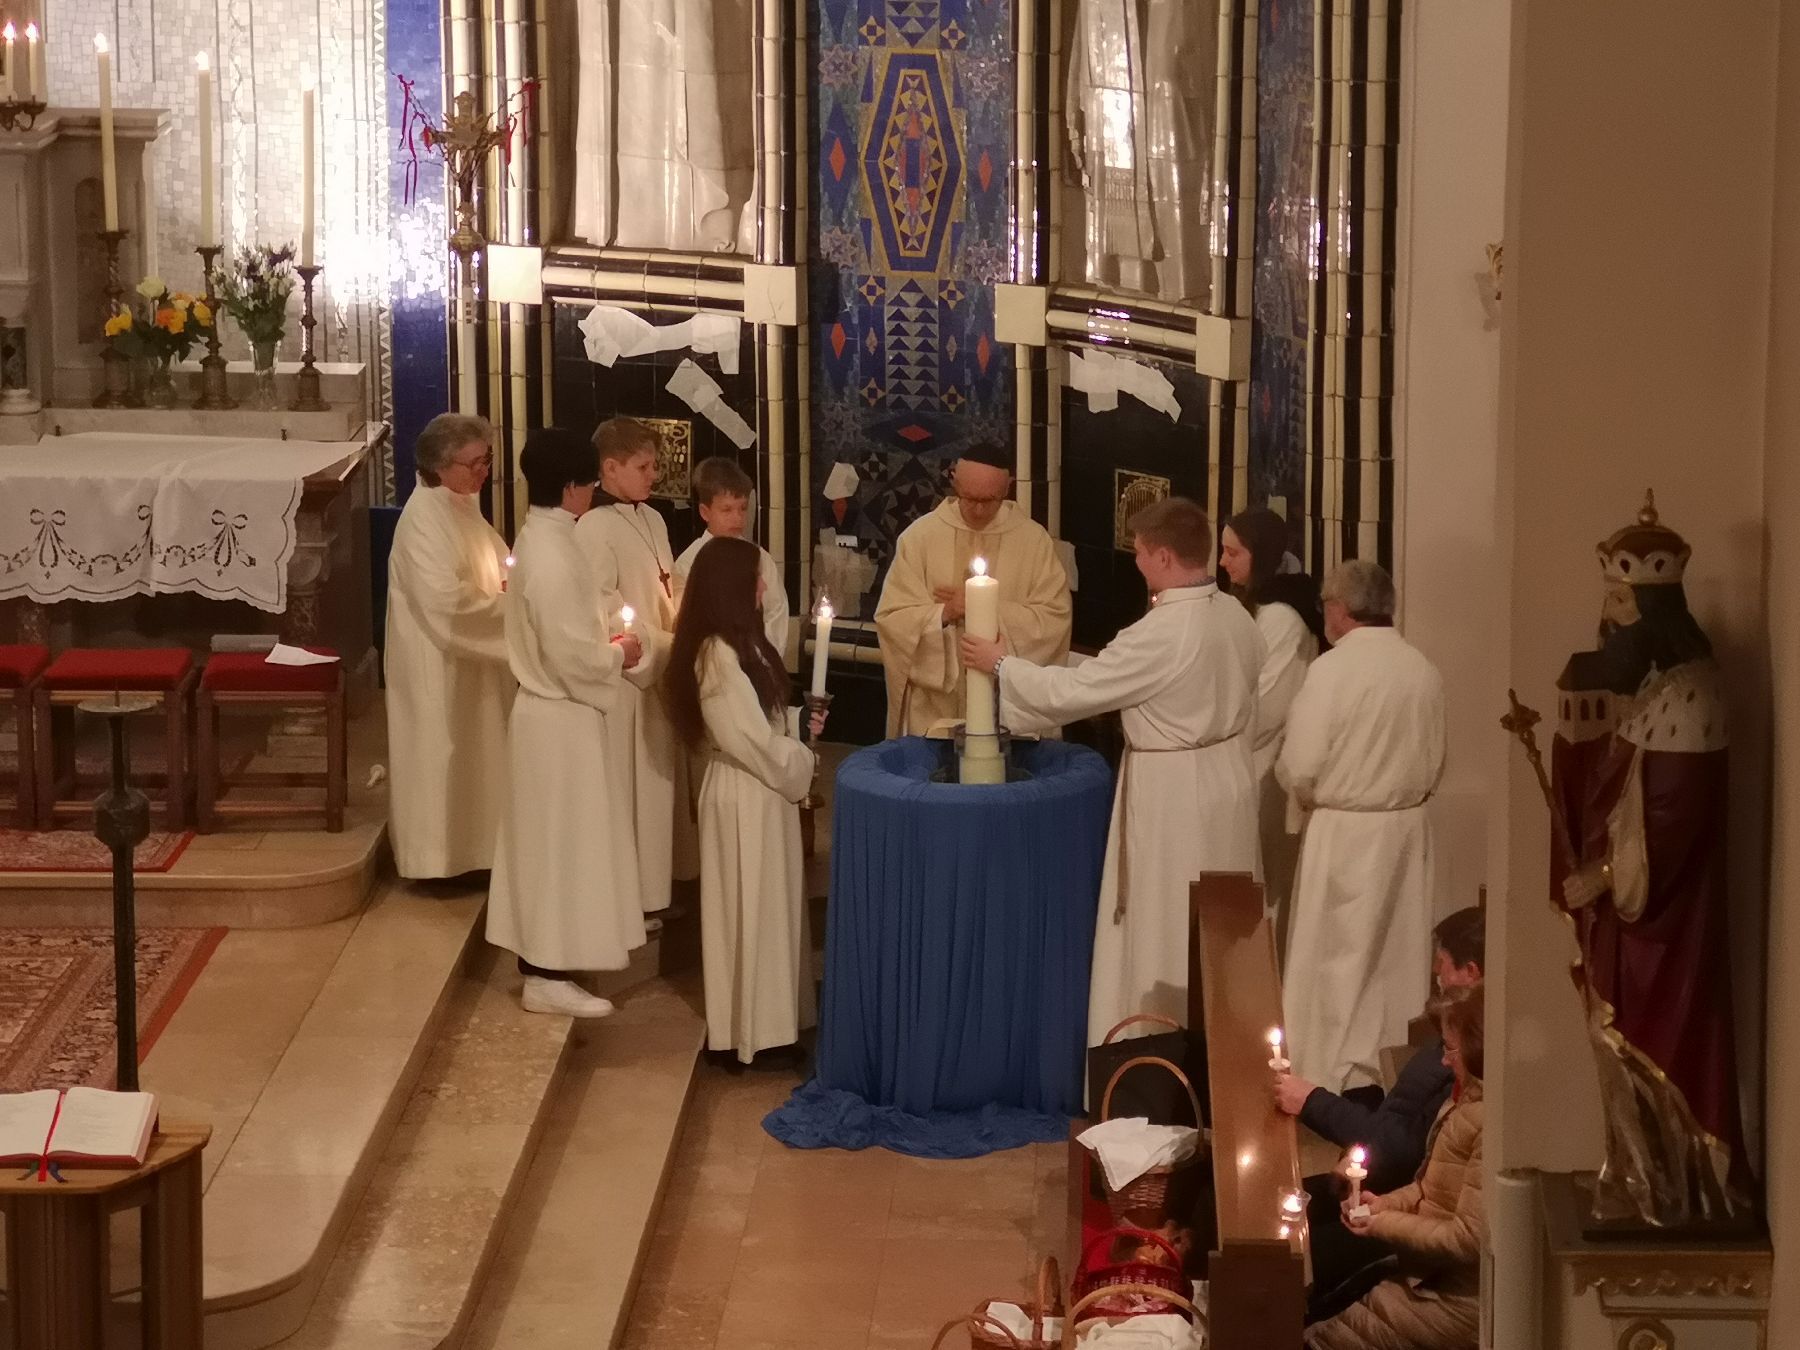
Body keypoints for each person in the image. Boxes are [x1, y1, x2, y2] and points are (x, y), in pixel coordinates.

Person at [961, 497, 1263, 1046]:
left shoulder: (1162, 631)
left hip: (1174, 795)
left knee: (1165, 920)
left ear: (1165, 557)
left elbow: (1076, 693)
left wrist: (1000, 664)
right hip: (1230, 780)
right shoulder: (1235, 615)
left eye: (1141, 553)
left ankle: (1154, 1047)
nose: (1137, 564)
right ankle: (1228, 1052)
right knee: (1220, 925)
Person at [1548, 492, 1750, 1225]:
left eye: (1619, 600)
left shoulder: (1691, 694)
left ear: (1654, 606)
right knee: (1614, 1044)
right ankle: (1638, 1178)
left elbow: (1672, 824)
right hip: (1626, 917)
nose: (1607, 617)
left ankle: (1680, 1191)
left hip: (1663, 926)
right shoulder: (1650, 686)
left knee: (1658, 1044)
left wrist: (1601, 875)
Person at [486, 428, 646, 1018]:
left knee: (561, 842)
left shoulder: (549, 535)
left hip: (559, 716)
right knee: (556, 845)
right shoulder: (551, 553)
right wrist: (617, 654)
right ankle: (544, 975)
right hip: (557, 716)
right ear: (575, 486)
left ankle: (554, 960)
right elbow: (568, 652)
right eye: (592, 483)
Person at [1279, 559, 1446, 1091]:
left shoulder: (1331, 671)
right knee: (1397, 958)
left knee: (1337, 962)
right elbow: (1437, 757)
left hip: (1346, 831)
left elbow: (1301, 763)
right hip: (1406, 829)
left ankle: (1326, 1080)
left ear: (1339, 610)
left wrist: (1302, 796)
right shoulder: (1422, 668)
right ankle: (1391, 1072)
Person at [1277, 907, 1485, 1321]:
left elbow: (1409, 1152)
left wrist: (1313, 1102)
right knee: (1278, 1211)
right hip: (1388, 1198)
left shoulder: (1471, 1071)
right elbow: (1406, 1134)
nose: (1436, 975)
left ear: (1471, 972)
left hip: (1409, 1232)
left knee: (1298, 1258)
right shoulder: (1451, 1043)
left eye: (1442, 965)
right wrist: (1366, 1174)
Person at [666, 536, 825, 1063]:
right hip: (744, 790)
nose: (762, 587)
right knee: (748, 911)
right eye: (755, 578)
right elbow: (748, 741)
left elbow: (763, 721)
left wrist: (798, 722)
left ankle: (775, 1024)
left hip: (763, 789)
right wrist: (801, 762)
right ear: (731, 586)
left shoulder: (744, 642)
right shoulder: (714, 654)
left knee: (769, 908)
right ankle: (749, 1035)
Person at [1306, 983, 1486, 1350]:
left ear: (1477, 1049)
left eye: (1450, 1049)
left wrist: (1380, 1223)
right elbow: (1425, 1188)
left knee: (1322, 1337)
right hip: (1423, 1270)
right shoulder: (1465, 1101)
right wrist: (1382, 1205)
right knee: (1314, 1315)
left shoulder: (1489, 1122)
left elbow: (1467, 1237)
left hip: (1453, 1296)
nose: (1444, 1061)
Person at [384, 413, 515, 880]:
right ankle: (436, 862)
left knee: (479, 758)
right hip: (438, 663)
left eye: (486, 459)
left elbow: (498, 563)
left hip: (473, 659)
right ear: (439, 466)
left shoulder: (461, 505)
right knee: (443, 754)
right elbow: (444, 602)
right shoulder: (423, 518)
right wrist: (516, 614)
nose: (484, 471)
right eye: (473, 463)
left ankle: (479, 854)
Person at [575, 416, 692, 917]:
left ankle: (659, 884)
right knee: (631, 788)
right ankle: (631, 896)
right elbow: (601, 608)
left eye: (654, 465)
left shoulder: (654, 519)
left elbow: (668, 583)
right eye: (643, 467)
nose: (654, 475)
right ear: (610, 468)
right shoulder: (594, 527)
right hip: (630, 678)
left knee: (658, 785)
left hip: (663, 664)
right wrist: (652, 643)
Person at [875, 443, 1071, 737]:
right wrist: (944, 613)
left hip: (1006, 708)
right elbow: (892, 618)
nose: (979, 510)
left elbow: (1054, 621)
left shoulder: (1033, 541)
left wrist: (987, 608)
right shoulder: (920, 538)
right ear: (954, 481)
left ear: (1007, 488)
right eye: (969, 498)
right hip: (935, 707)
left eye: (989, 500)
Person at [1219, 506, 1323, 958]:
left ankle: (1268, 981)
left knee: (1269, 886)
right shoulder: (1254, 605)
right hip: (1242, 761)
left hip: (1267, 769)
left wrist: (1212, 732)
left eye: (1233, 553)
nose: (1222, 562)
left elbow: (1268, 706)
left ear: (1259, 555)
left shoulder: (1282, 618)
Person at [672, 456, 790, 656]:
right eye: (726, 509)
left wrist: (755, 657)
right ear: (705, 512)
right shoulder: (688, 563)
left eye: (742, 508)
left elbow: (776, 613)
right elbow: (688, 624)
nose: (737, 518)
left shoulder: (760, 558)